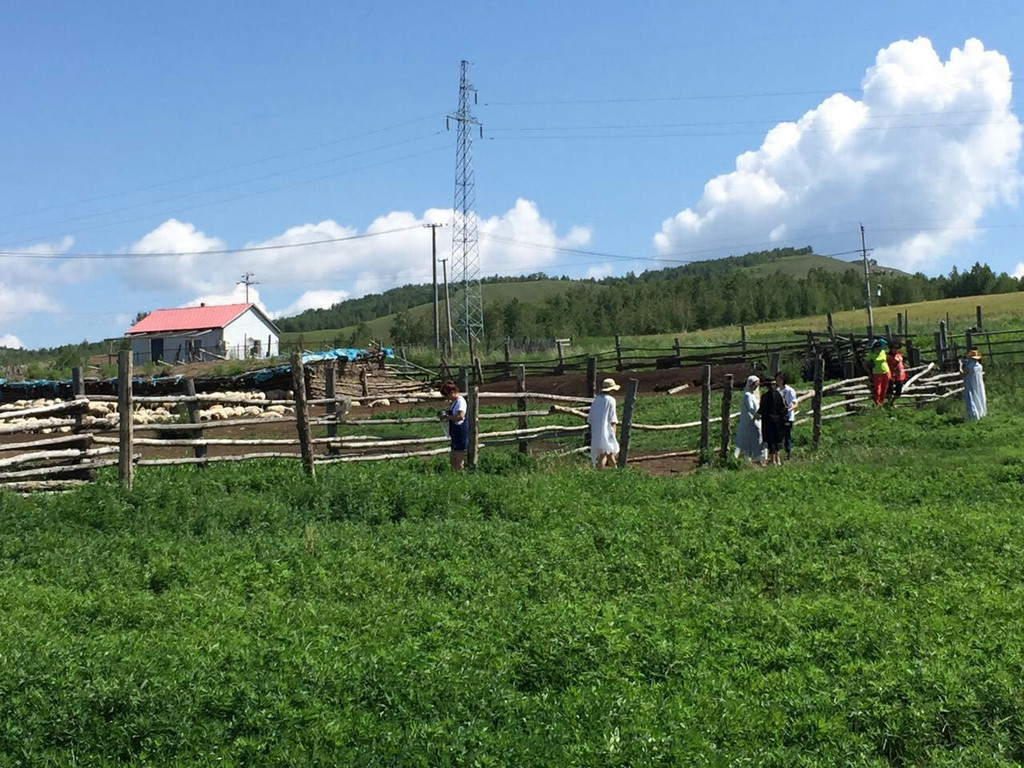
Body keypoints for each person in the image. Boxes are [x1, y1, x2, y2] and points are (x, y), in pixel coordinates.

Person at [586, 378, 620, 468]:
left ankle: (616, 470)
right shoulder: (611, 400)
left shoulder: (597, 400)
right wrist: (614, 432)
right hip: (606, 430)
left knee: (608, 453)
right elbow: (613, 419)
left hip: (596, 429)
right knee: (605, 453)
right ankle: (599, 472)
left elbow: (591, 417)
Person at [734, 375, 765, 462]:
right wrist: (757, 415)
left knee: (755, 436)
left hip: (754, 419)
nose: (757, 386)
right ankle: (753, 456)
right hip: (751, 420)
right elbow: (751, 408)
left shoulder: (751, 394)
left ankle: (755, 456)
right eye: (756, 384)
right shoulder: (748, 395)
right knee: (753, 436)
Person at [439, 380, 468, 470]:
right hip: (455, 433)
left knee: (458, 462)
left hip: (460, 433)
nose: (447, 398)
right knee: (453, 461)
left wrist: (448, 417)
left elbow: (460, 416)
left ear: (452, 392)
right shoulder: (454, 403)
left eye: (447, 395)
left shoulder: (460, 402)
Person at [758, 376, 787, 466]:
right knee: (777, 439)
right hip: (778, 420)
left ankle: (772, 460)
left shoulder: (765, 396)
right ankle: (777, 459)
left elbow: (761, 409)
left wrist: (754, 418)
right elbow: (783, 408)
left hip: (768, 420)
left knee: (770, 441)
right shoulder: (779, 395)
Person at [960, 348, 987, 421]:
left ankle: (973, 415)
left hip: (970, 383)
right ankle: (981, 412)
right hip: (978, 384)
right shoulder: (979, 366)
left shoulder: (969, 366)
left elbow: (963, 374)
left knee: (971, 397)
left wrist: (960, 366)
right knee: (979, 396)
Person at [775, 371, 798, 459]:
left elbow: (795, 404)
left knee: (787, 435)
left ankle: (788, 453)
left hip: (787, 417)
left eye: (779, 379)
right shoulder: (776, 391)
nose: (778, 381)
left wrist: (788, 409)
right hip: (778, 417)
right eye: (776, 380)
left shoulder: (789, 390)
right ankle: (776, 454)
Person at [866, 339, 891, 406]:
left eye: (879, 346)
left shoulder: (883, 352)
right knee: (878, 389)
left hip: (886, 372)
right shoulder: (870, 354)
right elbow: (866, 363)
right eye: (876, 346)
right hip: (877, 373)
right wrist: (869, 371)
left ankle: (881, 402)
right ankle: (877, 402)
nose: (878, 348)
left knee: (884, 388)